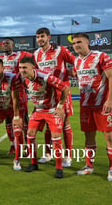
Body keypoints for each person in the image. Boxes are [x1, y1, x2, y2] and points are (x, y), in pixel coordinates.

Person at [72, 32, 112, 182]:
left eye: (79, 42)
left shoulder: (101, 56)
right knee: (89, 137)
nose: (76, 45)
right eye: (74, 43)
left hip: (102, 105)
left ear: (87, 42)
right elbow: (76, 76)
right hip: (86, 106)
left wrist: (110, 100)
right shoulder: (76, 62)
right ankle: (89, 166)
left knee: (109, 136)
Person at [18, 57, 69, 179]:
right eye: (20, 67)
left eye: (25, 67)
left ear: (33, 67)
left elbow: (65, 88)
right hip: (38, 110)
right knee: (29, 134)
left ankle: (59, 167)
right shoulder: (22, 79)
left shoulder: (45, 77)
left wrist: (60, 106)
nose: (22, 70)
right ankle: (33, 163)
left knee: (56, 136)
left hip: (51, 110)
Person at [34, 27, 75, 167]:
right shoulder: (36, 54)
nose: (40, 39)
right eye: (38, 36)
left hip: (61, 92)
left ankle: (68, 156)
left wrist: (71, 72)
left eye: (42, 36)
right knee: (47, 125)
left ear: (49, 37)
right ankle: (48, 153)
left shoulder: (60, 50)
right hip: (45, 95)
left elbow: (76, 61)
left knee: (65, 124)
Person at [0, 37, 31, 155]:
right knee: (9, 122)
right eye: (4, 44)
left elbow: (35, 56)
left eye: (8, 44)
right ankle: (12, 145)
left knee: (23, 121)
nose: (5, 45)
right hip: (5, 93)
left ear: (13, 45)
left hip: (19, 91)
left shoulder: (20, 55)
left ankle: (26, 146)